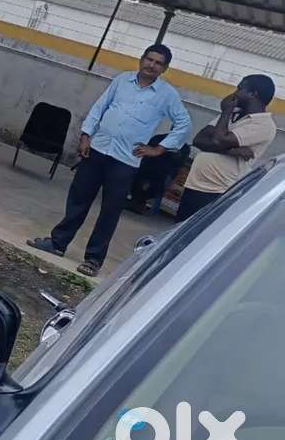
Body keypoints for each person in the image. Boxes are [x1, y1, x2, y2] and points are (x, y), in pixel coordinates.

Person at [28, 44, 191, 276]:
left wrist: (158, 149)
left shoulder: (167, 95)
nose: (151, 65)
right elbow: (99, 108)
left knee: (110, 210)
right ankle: (57, 243)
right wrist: (86, 135)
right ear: (141, 59)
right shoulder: (122, 80)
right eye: (149, 59)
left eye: (158, 63)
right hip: (97, 150)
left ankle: (93, 259)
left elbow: (184, 125)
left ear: (164, 69)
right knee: (78, 199)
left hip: (125, 160)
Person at [176, 74, 277, 221]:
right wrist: (232, 150)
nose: (235, 93)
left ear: (252, 93)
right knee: (178, 231)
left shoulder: (263, 125)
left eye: (240, 88)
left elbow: (217, 140)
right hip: (195, 184)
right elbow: (199, 139)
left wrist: (226, 112)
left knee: (197, 237)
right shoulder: (233, 114)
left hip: (219, 191)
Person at [125, 133, 191, 215]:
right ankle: (136, 202)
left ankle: (139, 203)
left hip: (163, 174)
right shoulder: (159, 138)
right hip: (147, 168)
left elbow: (179, 162)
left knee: (156, 187)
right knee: (136, 181)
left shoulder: (184, 148)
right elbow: (146, 150)